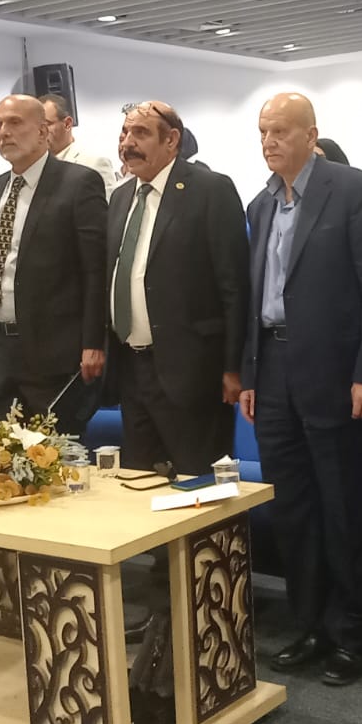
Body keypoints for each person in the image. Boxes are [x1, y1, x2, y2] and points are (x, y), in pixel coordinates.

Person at [239, 94, 362, 688]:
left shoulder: (354, 189)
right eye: (263, 131)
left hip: (339, 373)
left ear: (311, 135)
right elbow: (254, 300)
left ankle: (354, 630)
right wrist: (250, 375)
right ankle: (310, 625)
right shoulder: (261, 203)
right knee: (294, 509)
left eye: (281, 131)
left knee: (347, 507)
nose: (269, 141)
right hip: (274, 370)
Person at [107, 101, 248, 474]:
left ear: (171, 140)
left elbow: (234, 287)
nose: (127, 143)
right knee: (139, 481)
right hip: (132, 368)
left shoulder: (210, 190)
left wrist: (234, 368)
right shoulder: (121, 196)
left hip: (193, 372)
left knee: (197, 484)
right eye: (124, 133)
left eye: (140, 133)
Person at [0, 96, 108, 439]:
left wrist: (93, 342)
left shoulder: (78, 183)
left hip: (55, 348)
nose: (4, 132)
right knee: (0, 452)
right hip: (0, 344)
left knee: (53, 453)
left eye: (15, 122)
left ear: (43, 131)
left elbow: (95, 269)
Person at [42, 93, 117, 196]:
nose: (40, 131)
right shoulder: (36, 167)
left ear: (67, 124)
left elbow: (108, 203)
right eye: (36, 126)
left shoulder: (94, 163)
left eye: (46, 124)